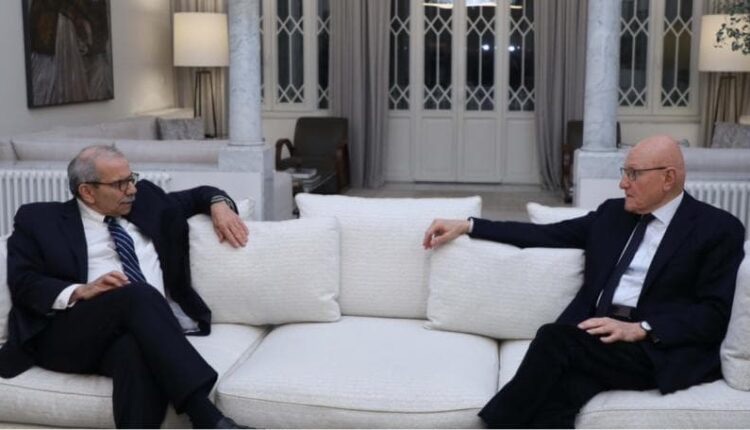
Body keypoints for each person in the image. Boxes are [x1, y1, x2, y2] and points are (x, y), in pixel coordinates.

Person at [422, 135, 746, 428]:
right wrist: (470, 225)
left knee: (553, 339)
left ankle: (493, 425)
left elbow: (714, 313)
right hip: (598, 340)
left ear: (668, 178)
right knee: (561, 397)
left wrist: (642, 328)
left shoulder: (717, 229)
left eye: (633, 174)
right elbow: (543, 234)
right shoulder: (613, 215)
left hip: (651, 348)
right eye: (624, 172)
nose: (623, 183)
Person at [0, 145, 250, 428]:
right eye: (120, 184)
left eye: (131, 178)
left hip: (139, 329)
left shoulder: (147, 201)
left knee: (133, 351)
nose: (131, 189)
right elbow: (23, 282)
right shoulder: (39, 220)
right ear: (87, 192)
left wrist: (219, 205)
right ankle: (208, 418)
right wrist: (81, 290)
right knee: (137, 294)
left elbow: (200, 195)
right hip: (68, 333)